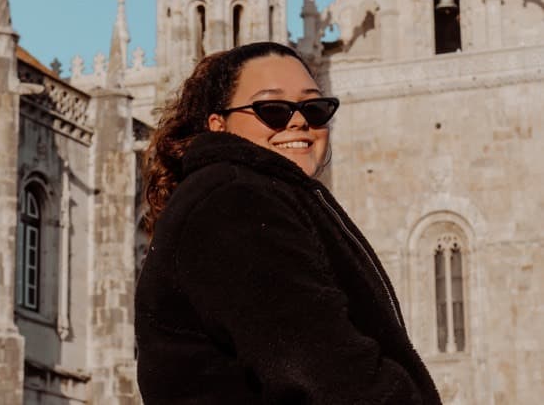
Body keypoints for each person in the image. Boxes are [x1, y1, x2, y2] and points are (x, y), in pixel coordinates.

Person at [135, 41, 442, 404]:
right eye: (273, 109)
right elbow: (322, 366)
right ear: (217, 124)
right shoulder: (233, 199)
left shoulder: (257, 195)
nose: (299, 121)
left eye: (314, 108)